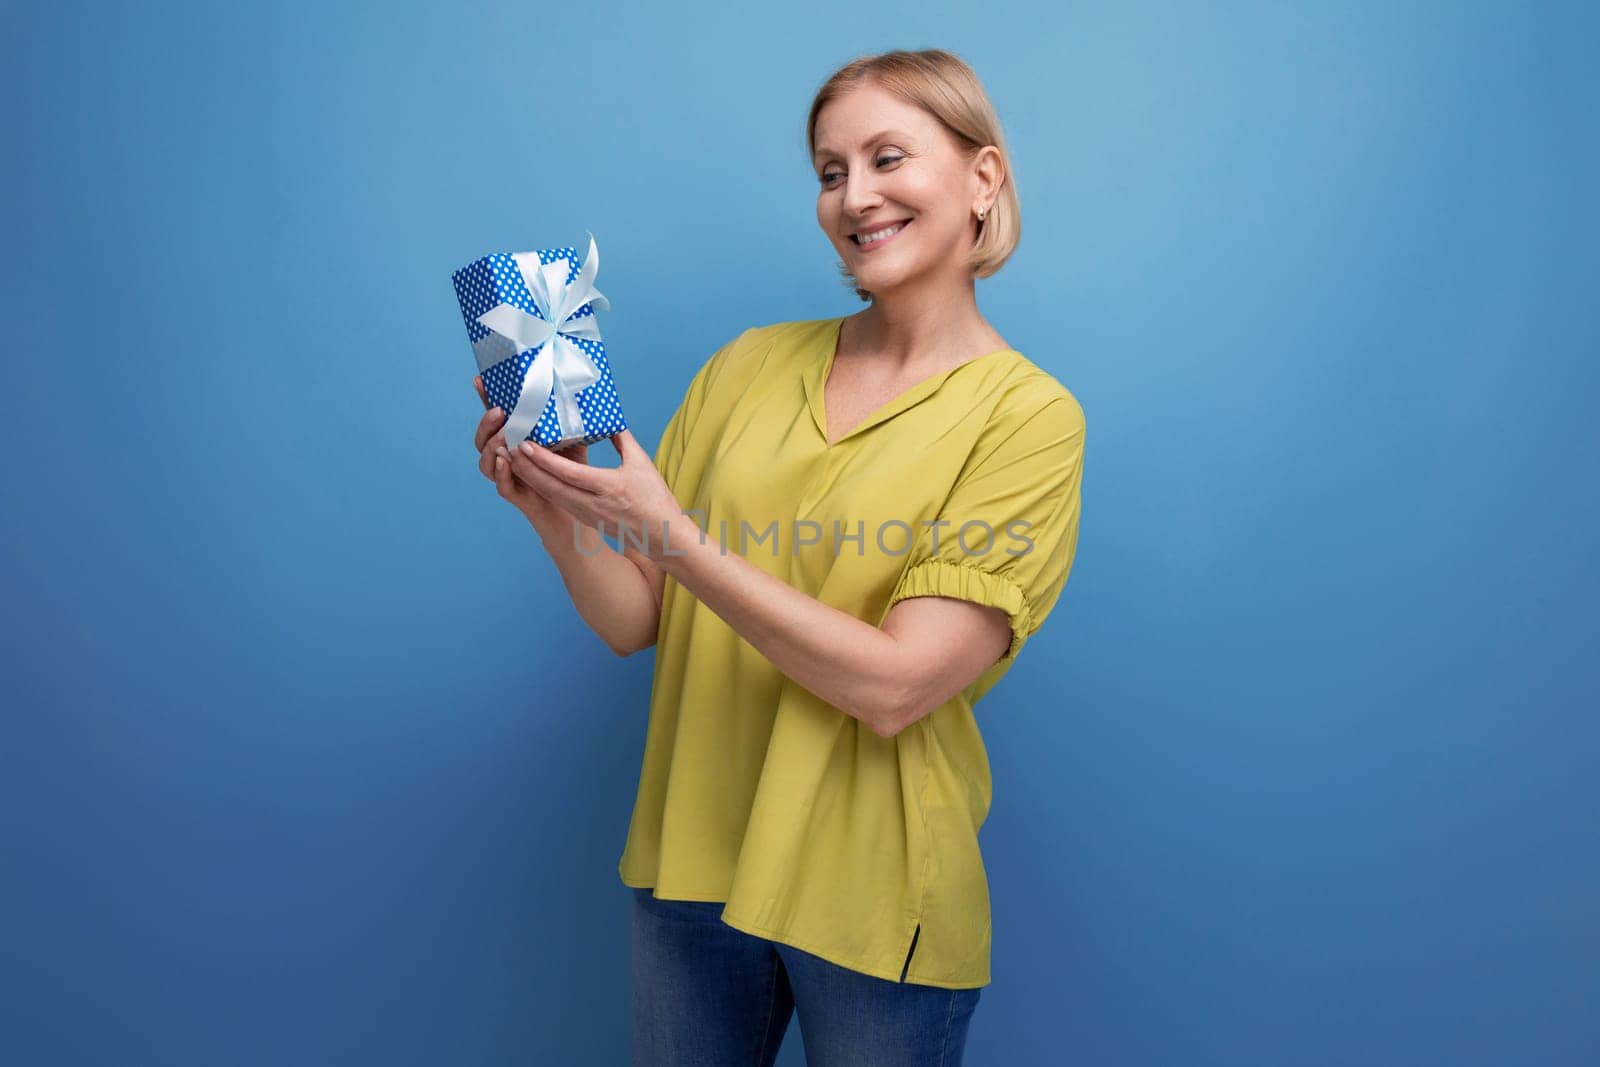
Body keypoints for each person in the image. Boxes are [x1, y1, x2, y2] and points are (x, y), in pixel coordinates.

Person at [471, 48, 1086, 1067]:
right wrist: (554, 501)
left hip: (873, 890)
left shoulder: (1027, 417)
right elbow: (641, 620)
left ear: (983, 178)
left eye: (888, 157)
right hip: (694, 861)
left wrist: (670, 533)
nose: (856, 195)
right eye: (830, 170)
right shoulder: (749, 363)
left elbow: (896, 686)